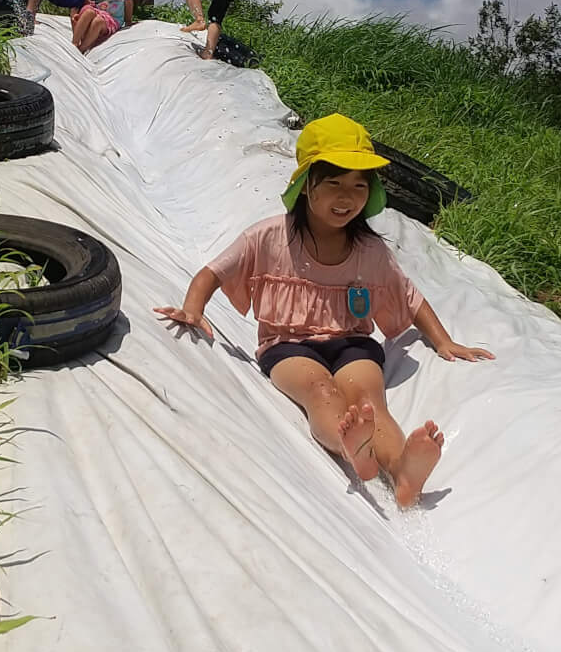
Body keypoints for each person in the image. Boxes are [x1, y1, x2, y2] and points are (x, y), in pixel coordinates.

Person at [155, 115, 494, 507]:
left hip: (351, 343)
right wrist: (193, 309)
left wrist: (445, 342)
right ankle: (351, 445)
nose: (346, 198)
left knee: (369, 398)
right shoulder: (271, 236)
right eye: (333, 184)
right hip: (288, 346)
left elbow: (408, 296)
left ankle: (401, 471)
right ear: (305, 186)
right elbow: (213, 272)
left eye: (359, 186)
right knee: (320, 390)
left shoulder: (370, 251)